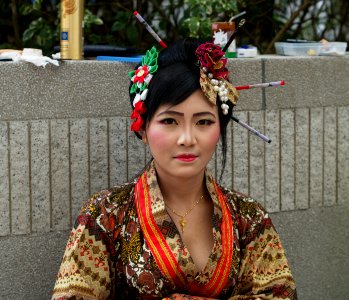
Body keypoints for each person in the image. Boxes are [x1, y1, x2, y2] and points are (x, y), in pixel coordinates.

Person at [52, 39, 297, 300]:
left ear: (220, 129)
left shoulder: (248, 217)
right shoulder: (105, 214)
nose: (187, 138)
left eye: (203, 121)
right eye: (170, 121)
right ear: (143, 128)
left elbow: (280, 293)